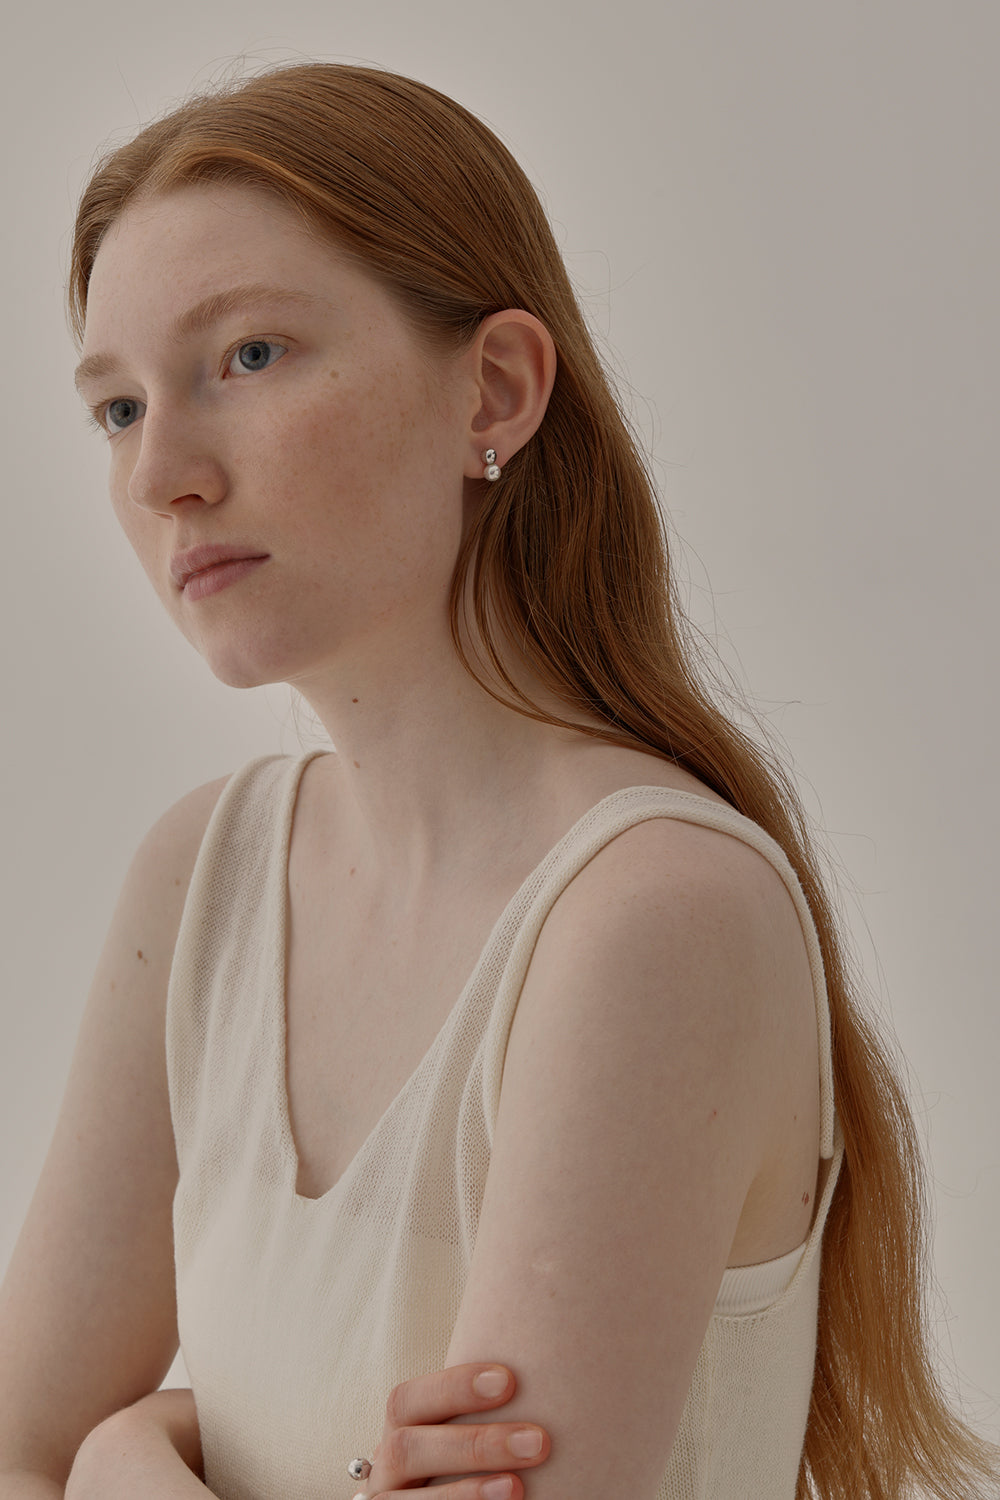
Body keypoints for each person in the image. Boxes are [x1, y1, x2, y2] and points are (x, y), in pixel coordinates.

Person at [0, 61, 997, 1500]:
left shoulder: (653, 915)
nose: (162, 475)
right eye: (116, 408)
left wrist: (120, 1461)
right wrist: (91, 1449)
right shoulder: (202, 876)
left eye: (250, 355)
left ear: (499, 387)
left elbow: (51, 1459)